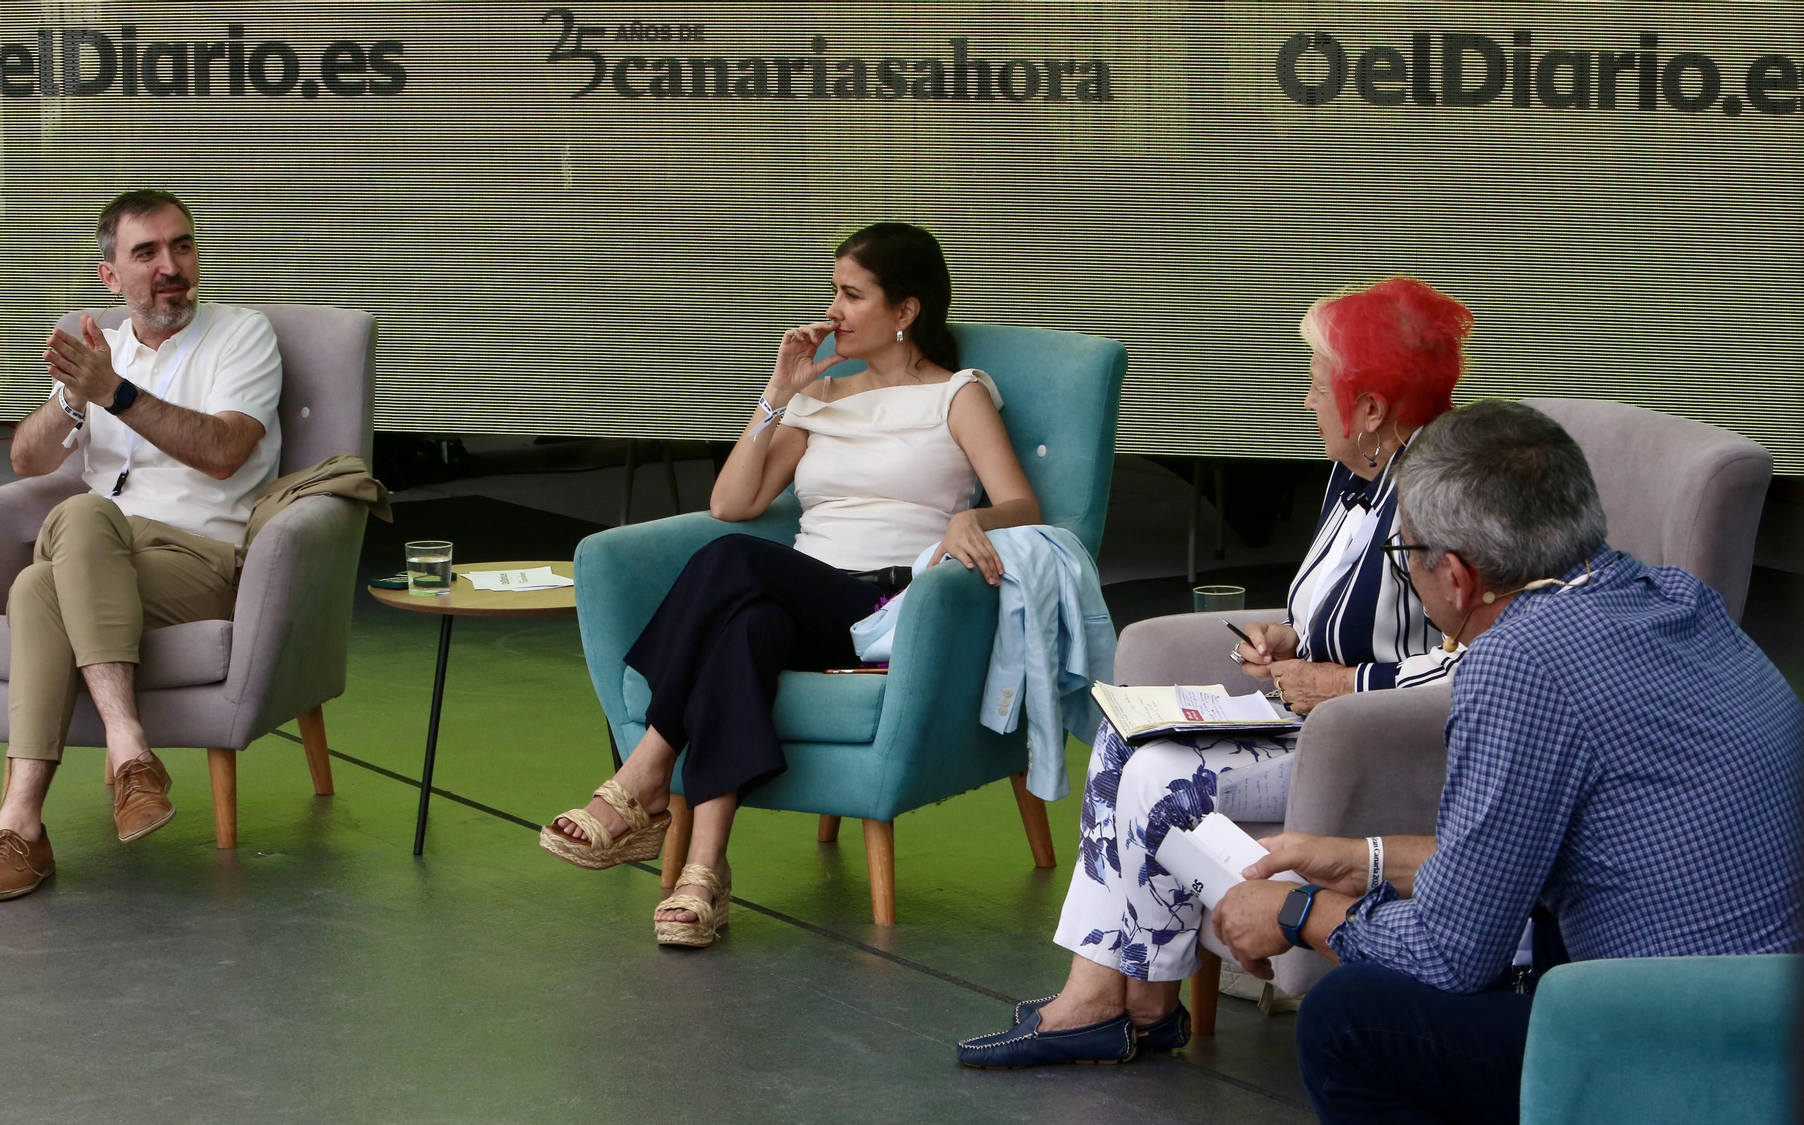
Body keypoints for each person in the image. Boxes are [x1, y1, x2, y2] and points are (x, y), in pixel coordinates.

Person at [1206, 399, 1804, 1123]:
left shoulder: (1520, 660)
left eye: (1404, 554)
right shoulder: (1677, 597)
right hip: (1769, 1012)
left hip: (1676, 1037)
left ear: (1457, 577)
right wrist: (1357, 859)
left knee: (1349, 1018)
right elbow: (1515, 862)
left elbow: (1453, 950)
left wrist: (1299, 911)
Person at [957, 276, 1474, 1067]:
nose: (1307, 400)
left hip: (1367, 740)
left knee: (1157, 779)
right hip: (1310, 717)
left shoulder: (1437, 500)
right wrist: (1292, 634)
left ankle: (1119, 1000)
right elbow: (1351, 608)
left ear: (1371, 407)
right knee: (1124, 738)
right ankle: (1127, 999)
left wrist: (1343, 683)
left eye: (1316, 381)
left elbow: (1481, 658)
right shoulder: (1360, 472)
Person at [540, 222, 1042, 946]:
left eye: (851, 293)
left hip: (892, 603)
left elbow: (1024, 505)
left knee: (733, 561)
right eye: (832, 290)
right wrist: (778, 392)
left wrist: (977, 522)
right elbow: (731, 502)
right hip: (811, 597)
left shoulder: (956, 395)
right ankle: (704, 874)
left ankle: (646, 773)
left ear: (905, 311)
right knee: (742, 627)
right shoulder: (822, 396)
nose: (832, 308)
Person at [0, 190, 284, 903]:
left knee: (49, 563)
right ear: (111, 277)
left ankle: (31, 822)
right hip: (103, 559)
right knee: (68, 544)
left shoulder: (243, 334)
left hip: (200, 560)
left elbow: (226, 450)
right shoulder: (99, 349)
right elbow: (26, 459)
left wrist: (118, 394)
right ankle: (99, 776)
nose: (172, 266)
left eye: (183, 246)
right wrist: (74, 400)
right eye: (148, 253)